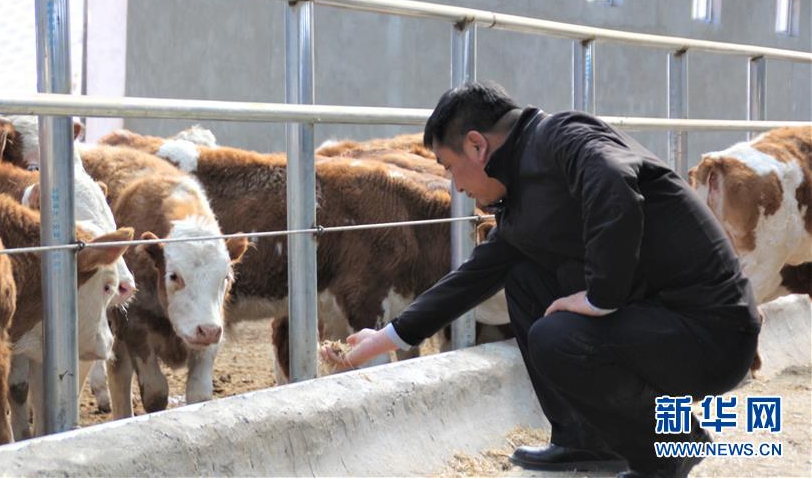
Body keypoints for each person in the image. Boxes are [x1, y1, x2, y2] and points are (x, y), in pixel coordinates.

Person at [321, 82, 760, 478]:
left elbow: (614, 184)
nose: (454, 186)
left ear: (477, 145)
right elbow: (474, 275)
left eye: (449, 166)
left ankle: (668, 451)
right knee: (524, 275)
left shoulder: (566, 137)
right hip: (665, 325)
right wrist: (384, 338)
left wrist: (603, 296)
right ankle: (583, 440)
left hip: (712, 333)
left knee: (559, 336)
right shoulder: (522, 192)